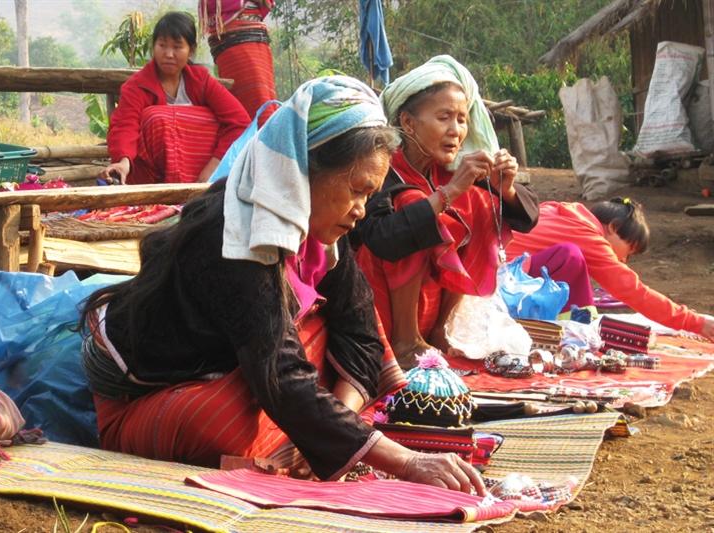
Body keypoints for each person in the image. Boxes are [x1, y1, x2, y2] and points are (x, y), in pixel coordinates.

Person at [80, 76, 487, 495]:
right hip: (150, 393)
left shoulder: (320, 233)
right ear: (303, 170)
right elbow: (280, 375)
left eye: (370, 194)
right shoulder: (236, 234)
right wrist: (403, 460)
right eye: (356, 190)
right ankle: (304, 435)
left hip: (235, 365)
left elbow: (362, 333)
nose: (361, 210)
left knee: (333, 338)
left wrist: (340, 426)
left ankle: (310, 435)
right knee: (226, 421)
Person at [352, 55, 539, 368]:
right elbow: (383, 237)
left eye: (462, 119)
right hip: (376, 306)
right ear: (409, 123)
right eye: (444, 118)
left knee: (478, 203)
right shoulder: (383, 168)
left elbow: (528, 217)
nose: (456, 130)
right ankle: (405, 339)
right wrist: (449, 193)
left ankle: (440, 328)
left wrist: (504, 187)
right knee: (417, 206)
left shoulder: (443, 171)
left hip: (429, 304)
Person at [506, 197, 714, 340]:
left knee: (575, 260)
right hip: (502, 289)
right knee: (571, 255)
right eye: (628, 251)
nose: (623, 260)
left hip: (490, 278)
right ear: (613, 227)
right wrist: (695, 323)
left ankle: (581, 328)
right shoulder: (587, 235)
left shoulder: (562, 210)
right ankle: (581, 333)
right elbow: (632, 290)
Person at [102, 11, 250, 185]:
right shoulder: (137, 86)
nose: (169, 54)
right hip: (152, 180)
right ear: (153, 47)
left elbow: (239, 121)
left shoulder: (201, 81)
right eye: (162, 45)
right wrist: (123, 162)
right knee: (156, 118)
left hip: (203, 178)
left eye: (177, 47)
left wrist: (213, 167)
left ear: (191, 50)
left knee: (212, 120)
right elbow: (125, 125)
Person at [200, 0, 278, 125]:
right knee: (254, 103)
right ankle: (262, 137)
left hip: (254, 40)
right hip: (234, 44)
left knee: (264, 98)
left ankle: (266, 135)